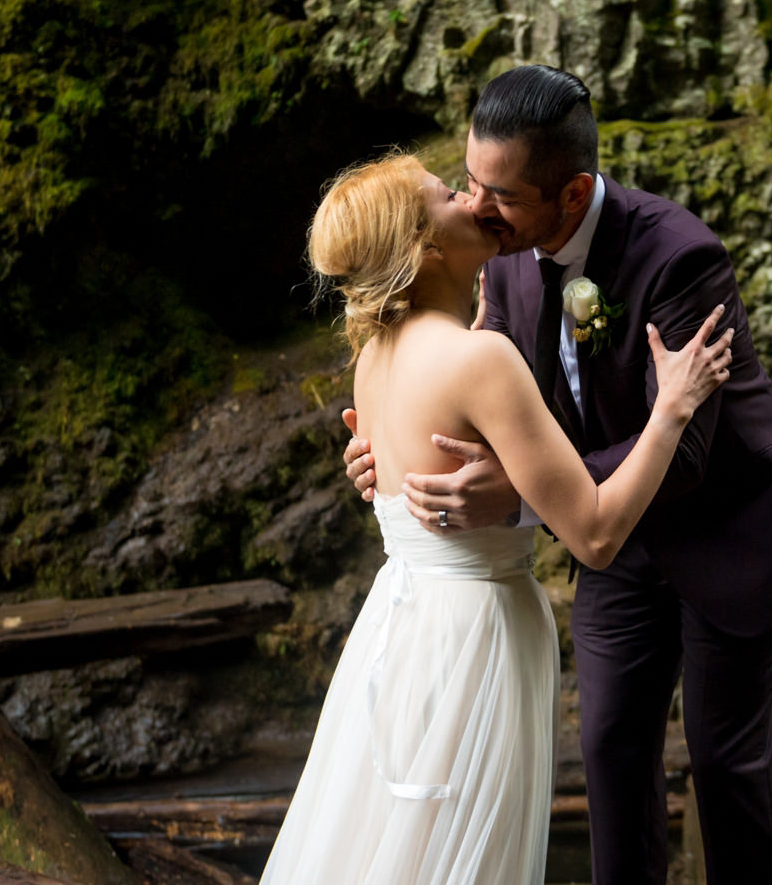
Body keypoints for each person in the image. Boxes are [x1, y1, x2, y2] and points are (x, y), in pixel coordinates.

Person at [344, 65, 772, 884]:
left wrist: (525, 493)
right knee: (608, 750)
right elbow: (485, 406)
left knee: (725, 764)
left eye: (498, 193)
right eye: (467, 182)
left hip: (726, 533)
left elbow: (690, 453)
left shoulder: (681, 257)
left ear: (572, 194)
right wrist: (393, 454)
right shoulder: (502, 259)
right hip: (614, 547)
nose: (476, 206)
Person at [259, 152, 734, 885]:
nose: (472, 198)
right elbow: (598, 534)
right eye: (449, 194)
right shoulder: (479, 360)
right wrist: (671, 410)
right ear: (426, 247)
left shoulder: (376, 357)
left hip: (404, 629)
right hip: (476, 641)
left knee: (403, 842)